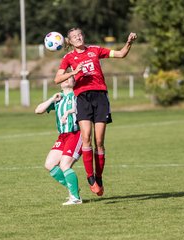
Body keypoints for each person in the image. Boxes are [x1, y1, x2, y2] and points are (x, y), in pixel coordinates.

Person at [54, 28, 137, 196]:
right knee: (86, 137)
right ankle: (90, 176)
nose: (78, 38)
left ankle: (99, 177)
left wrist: (129, 43)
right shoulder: (68, 58)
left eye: (80, 35)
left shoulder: (95, 50)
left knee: (99, 141)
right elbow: (57, 79)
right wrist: (74, 72)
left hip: (100, 97)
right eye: (74, 37)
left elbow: (121, 54)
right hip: (83, 98)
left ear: (83, 36)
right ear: (69, 41)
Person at [35, 76, 83, 205]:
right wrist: (52, 99)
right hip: (62, 137)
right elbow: (38, 110)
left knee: (65, 165)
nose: (66, 80)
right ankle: (73, 189)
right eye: (64, 78)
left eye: (70, 78)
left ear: (74, 82)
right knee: (49, 164)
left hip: (76, 133)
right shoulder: (58, 98)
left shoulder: (78, 95)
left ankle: (75, 198)